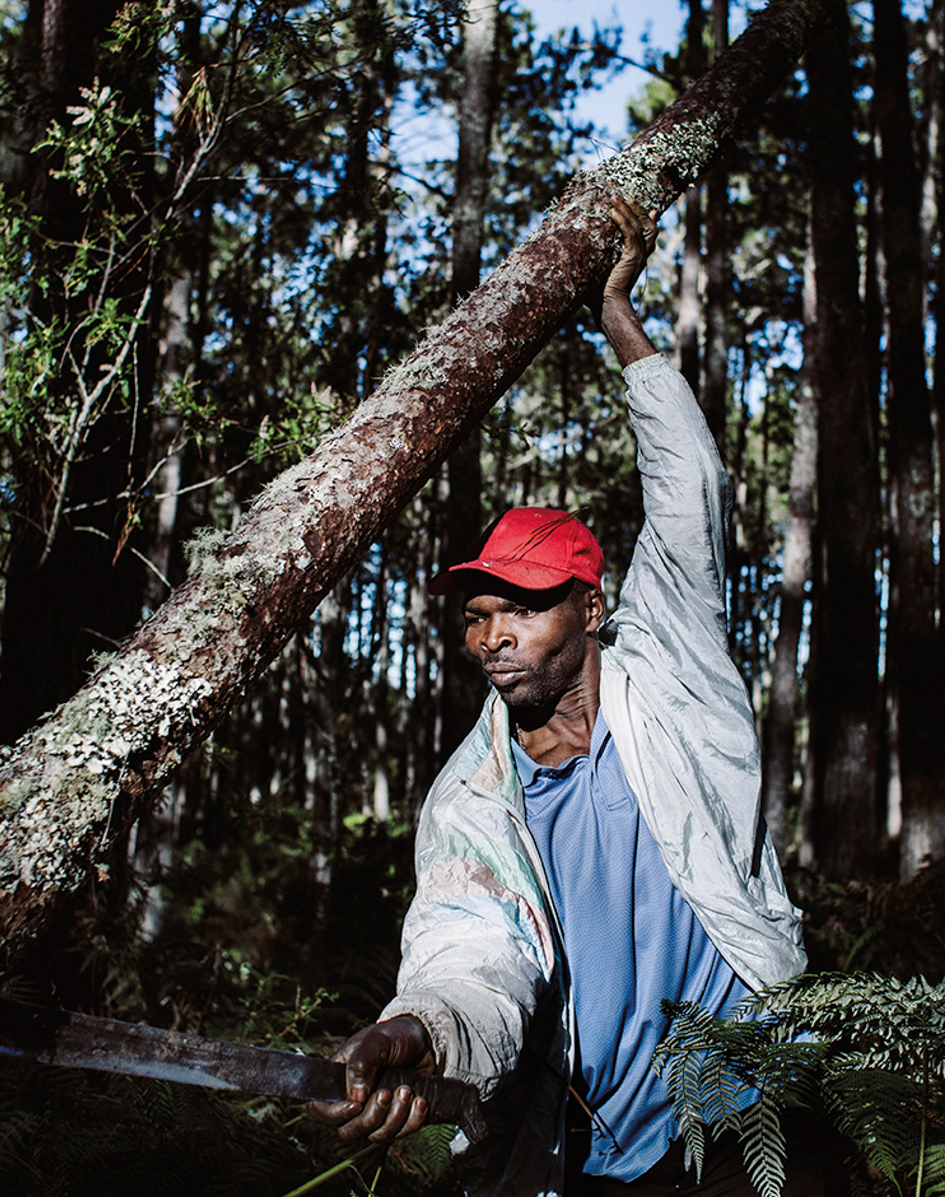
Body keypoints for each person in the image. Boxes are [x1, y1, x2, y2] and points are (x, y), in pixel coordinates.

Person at [310, 199, 808, 1195]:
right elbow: (470, 947)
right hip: (591, 1138)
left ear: (589, 607)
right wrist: (423, 1025)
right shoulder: (471, 796)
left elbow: (687, 495)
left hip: (744, 1100)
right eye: (477, 614)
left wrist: (616, 313)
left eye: (522, 610)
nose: (492, 634)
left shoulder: (672, 682)